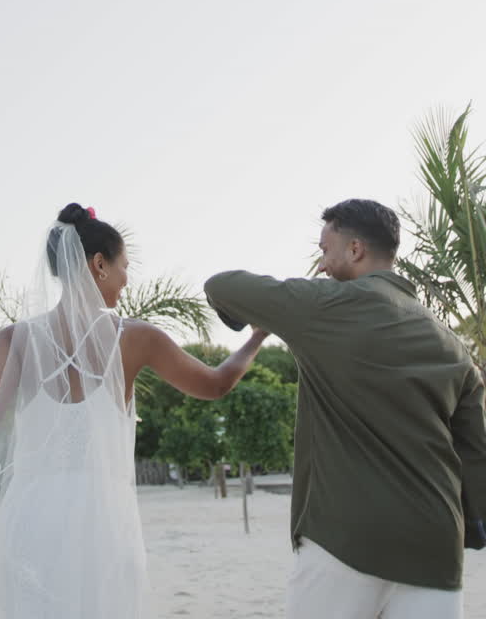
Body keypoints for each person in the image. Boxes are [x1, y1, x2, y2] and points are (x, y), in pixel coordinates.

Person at [0, 203, 266, 617]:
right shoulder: (136, 338)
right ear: (100, 264)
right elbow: (215, 384)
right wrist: (255, 339)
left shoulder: (14, 339)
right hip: (103, 526)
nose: (127, 279)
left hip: (30, 524)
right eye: (125, 266)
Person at [204, 197, 486, 619]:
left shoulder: (321, 307)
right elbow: (476, 454)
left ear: (354, 250)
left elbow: (221, 285)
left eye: (324, 250)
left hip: (342, 538)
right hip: (435, 545)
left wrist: (264, 312)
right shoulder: (451, 345)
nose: (321, 262)